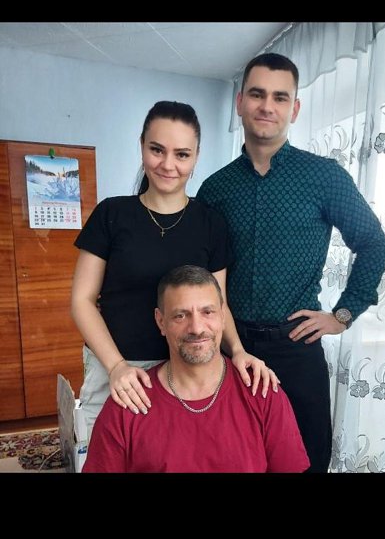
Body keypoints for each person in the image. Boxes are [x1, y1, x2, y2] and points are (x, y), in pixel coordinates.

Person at [196, 53, 385, 473]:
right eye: (257, 94)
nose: (267, 105)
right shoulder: (215, 189)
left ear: (294, 108)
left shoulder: (324, 177)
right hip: (231, 348)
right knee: (231, 459)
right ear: (240, 102)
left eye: (280, 97)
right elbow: (200, 274)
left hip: (296, 349)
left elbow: (373, 244)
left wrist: (343, 314)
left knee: (307, 461)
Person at [71, 101, 278, 441]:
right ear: (142, 147)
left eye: (182, 154)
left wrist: (238, 350)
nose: (168, 165)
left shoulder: (211, 223)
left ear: (195, 158)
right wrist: (116, 366)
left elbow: (218, 304)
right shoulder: (111, 214)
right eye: (157, 150)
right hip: (118, 372)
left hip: (190, 373)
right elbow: (82, 300)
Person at [83, 265, 310, 473]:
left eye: (207, 312)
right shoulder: (128, 404)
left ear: (223, 316)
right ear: (161, 321)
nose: (197, 328)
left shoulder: (262, 391)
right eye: (181, 316)